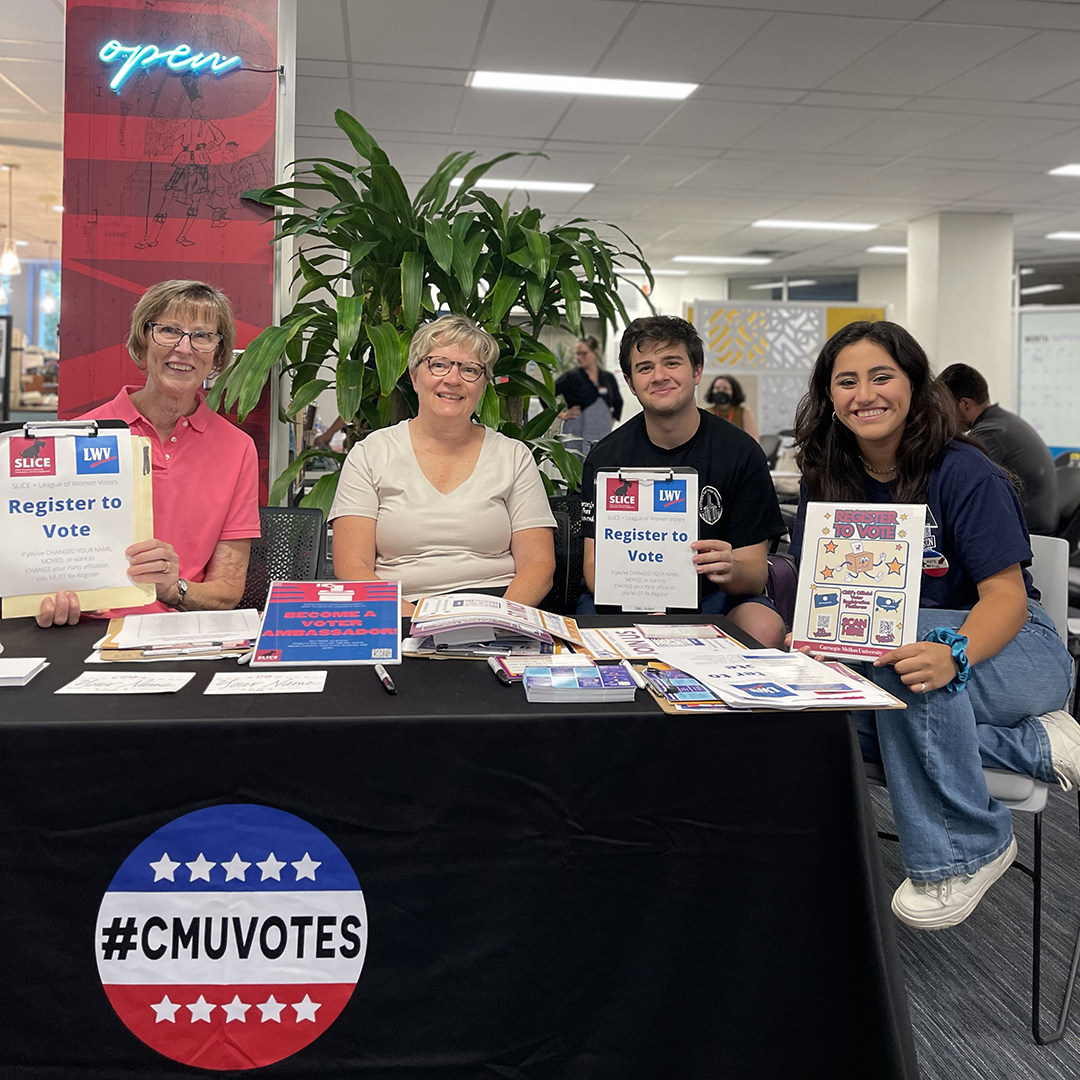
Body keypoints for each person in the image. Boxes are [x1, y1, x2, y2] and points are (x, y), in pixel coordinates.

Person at [790, 321, 1077, 930]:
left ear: (917, 388)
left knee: (897, 645)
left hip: (1010, 648)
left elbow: (1006, 598)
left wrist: (954, 653)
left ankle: (964, 848)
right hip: (901, 669)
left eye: (881, 376)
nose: (864, 393)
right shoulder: (826, 481)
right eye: (847, 381)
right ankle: (1031, 745)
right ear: (830, 398)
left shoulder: (967, 473)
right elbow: (828, 597)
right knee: (821, 721)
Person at [38, 280, 261, 626]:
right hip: (83, 631)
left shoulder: (237, 449)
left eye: (202, 336)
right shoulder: (75, 438)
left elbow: (228, 591)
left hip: (178, 636)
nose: (184, 349)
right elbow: (40, 557)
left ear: (217, 357)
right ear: (142, 345)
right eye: (169, 330)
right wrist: (46, 595)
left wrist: (175, 590)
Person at [577, 316, 788, 649]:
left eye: (672, 362)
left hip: (714, 598)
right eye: (644, 368)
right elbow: (593, 570)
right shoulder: (606, 458)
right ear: (631, 384)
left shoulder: (741, 452)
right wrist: (644, 597)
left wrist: (730, 568)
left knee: (763, 626)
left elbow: (756, 573)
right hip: (623, 600)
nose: (659, 376)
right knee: (589, 633)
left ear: (697, 371)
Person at [330, 314, 556, 615]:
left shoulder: (513, 456)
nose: (453, 379)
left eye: (470, 369)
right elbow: (351, 566)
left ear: (483, 386)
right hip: (398, 612)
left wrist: (497, 620)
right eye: (438, 364)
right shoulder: (370, 454)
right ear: (414, 375)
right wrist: (419, 621)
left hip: (497, 612)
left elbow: (538, 563)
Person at [939, 362, 1058, 535]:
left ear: (965, 404)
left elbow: (958, 481)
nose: (945, 415)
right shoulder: (1002, 421)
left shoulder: (989, 434)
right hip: (1039, 521)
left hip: (1030, 531)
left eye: (946, 407)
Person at [555, 335, 623, 456]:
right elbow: (546, 395)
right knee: (575, 467)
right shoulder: (571, 377)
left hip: (601, 431)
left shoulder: (607, 377)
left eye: (583, 353)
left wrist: (610, 420)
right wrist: (561, 414)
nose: (579, 357)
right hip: (576, 430)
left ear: (595, 351)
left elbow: (618, 402)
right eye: (577, 354)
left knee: (599, 463)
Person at [704, 374, 760, 442]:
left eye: (725, 388)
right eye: (717, 388)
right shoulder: (706, 413)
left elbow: (753, 441)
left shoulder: (744, 412)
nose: (721, 391)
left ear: (733, 391)